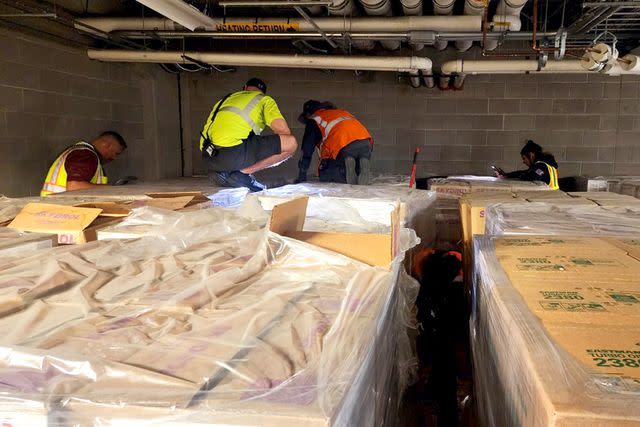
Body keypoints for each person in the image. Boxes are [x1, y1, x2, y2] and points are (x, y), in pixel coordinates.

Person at [199, 78, 297, 192]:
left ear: (245, 88)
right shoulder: (263, 100)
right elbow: (284, 132)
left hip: (208, 157)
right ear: (262, 92)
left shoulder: (225, 99)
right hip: (234, 154)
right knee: (291, 143)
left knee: (245, 139)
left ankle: (222, 172)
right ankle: (242, 173)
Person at [297, 100, 373, 185]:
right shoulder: (342, 112)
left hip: (344, 145)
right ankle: (360, 168)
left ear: (308, 115)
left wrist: (302, 175)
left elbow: (307, 149)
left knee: (324, 171)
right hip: (366, 143)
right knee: (357, 162)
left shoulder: (314, 119)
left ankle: (343, 171)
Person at [41, 131, 126, 196]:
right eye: (116, 153)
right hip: (61, 211)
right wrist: (112, 189)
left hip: (55, 211)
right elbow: (74, 186)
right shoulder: (85, 154)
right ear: (106, 145)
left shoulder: (81, 152)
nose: (114, 158)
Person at [494, 140, 559, 190]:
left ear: (531, 155)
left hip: (548, 197)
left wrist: (508, 177)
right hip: (551, 194)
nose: (524, 162)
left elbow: (531, 176)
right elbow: (525, 172)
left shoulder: (541, 166)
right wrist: (507, 175)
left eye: (524, 158)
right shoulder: (544, 164)